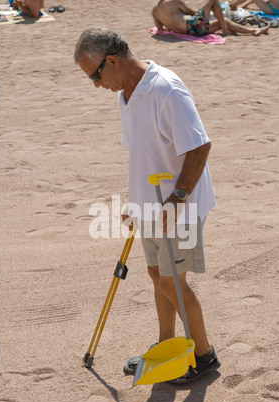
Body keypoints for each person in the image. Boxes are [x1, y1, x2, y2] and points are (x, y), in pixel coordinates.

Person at [74, 28, 221, 383]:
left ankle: (204, 356)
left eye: (95, 75)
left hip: (178, 209)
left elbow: (199, 146)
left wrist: (177, 199)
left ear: (112, 60)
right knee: (158, 277)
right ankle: (166, 349)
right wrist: (136, 202)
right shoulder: (126, 94)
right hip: (152, 207)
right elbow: (145, 154)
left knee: (172, 283)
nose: (96, 85)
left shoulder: (166, 89)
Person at [152, 0, 270, 36]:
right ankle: (225, 30)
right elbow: (193, 13)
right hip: (194, 25)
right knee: (213, 0)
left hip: (190, 32)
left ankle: (253, 31)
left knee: (223, 21)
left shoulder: (154, 11)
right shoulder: (173, 1)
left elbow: (161, 30)